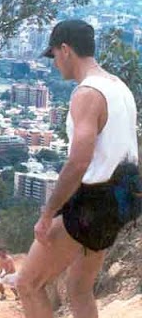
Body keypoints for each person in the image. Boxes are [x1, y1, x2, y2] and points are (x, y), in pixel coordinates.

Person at [17, 19, 140, 318]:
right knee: (79, 287)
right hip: (124, 198)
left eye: (54, 55)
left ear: (66, 50)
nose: (55, 63)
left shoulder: (86, 94)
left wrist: (48, 214)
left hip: (93, 203)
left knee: (28, 284)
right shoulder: (118, 87)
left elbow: (79, 161)